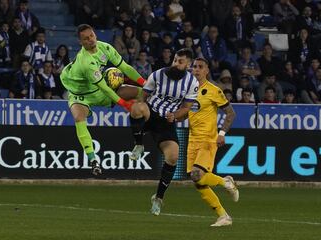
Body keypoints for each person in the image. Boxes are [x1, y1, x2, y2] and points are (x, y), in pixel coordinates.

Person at [60, 24, 146, 176]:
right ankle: (93, 160)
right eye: (86, 39)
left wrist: (146, 84)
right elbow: (105, 88)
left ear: (95, 35)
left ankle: (139, 143)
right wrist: (124, 104)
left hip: (98, 90)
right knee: (79, 118)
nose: (90, 40)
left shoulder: (105, 48)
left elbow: (126, 68)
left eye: (91, 35)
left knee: (142, 93)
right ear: (81, 42)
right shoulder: (85, 62)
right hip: (81, 95)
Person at [128, 48, 199, 216]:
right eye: (175, 60)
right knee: (137, 108)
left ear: (188, 64)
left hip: (167, 123)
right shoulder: (158, 74)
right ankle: (139, 145)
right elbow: (143, 97)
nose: (175, 63)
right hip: (150, 113)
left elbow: (186, 108)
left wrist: (174, 116)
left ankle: (158, 198)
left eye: (180, 62)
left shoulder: (192, 83)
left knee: (173, 157)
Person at [188, 57, 239, 227]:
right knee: (198, 182)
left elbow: (230, 113)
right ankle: (223, 216)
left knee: (197, 174)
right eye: (194, 66)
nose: (196, 69)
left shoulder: (213, 90)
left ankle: (226, 182)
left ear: (206, 70)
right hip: (192, 139)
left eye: (200, 67)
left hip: (208, 139)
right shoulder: (187, 90)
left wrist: (222, 133)